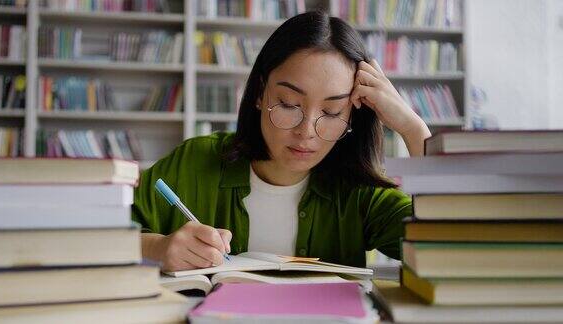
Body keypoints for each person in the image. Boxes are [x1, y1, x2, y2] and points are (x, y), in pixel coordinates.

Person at [132, 11, 431, 271]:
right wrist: (157, 248)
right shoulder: (195, 162)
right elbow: (101, 235)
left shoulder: (359, 193)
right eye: (288, 104)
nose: (307, 131)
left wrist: (413, 128)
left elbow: (448, 250)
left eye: (330, 112)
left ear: (353, 114)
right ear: (261, 94)